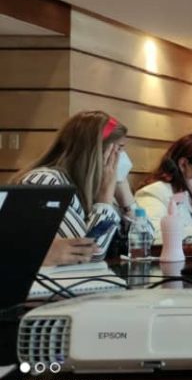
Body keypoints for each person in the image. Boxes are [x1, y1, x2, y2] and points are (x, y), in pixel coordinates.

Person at [15, 111, 137, 265]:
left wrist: (125, 197)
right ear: (96, 153)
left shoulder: (95, 187)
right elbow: (86, 254)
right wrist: (105, 199)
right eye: (119, 148)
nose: (122, 156)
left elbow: (143, 244)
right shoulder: (45, 182)